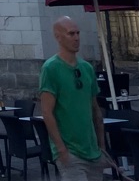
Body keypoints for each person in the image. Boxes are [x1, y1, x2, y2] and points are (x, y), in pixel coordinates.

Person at [39, 16, 113, 180]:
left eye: (78, 33)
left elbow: (94, 108)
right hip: (70, 152)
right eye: (71, 34)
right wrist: (61, 149)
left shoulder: (87, 68)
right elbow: (46, 112)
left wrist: (102, 146)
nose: (76, 38)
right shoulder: (51, 69)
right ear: (58, 37)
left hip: (93, 151)